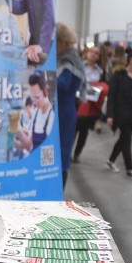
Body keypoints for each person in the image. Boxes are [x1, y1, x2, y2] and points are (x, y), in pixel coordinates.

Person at [105, 49, 132, 180]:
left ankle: (111, 160)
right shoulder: (118, 76)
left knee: (123, 139)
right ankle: (130, 168)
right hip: (121, 114)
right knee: (126, 138)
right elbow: (111, 96)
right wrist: (110, 115)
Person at [54, 23, 85, 187]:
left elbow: (64, 85)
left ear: (64, 43)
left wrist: (45, 79)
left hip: (64, 113)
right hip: (63, 110)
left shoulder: (69, 59)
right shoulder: (67, 57)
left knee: (62, 155)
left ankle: (59, 191)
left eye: (55, 42)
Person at [72, 45, 108, 163]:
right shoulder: (78, 65)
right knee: (72, 129)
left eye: (96, 53)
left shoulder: (100, 71)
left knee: (84, 131)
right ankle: (67, 153)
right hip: (76, 101)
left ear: (99, 57)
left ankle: (77, 154)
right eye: (91, 51)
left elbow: (102, 86)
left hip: (90, 104)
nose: (93, 54)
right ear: (87, 53)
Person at [13, 70, 54, 152]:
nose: (34, 102)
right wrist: (15, 129)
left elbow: (50, 148)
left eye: (37, 97)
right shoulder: (35, 113)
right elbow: (29, 145)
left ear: (45, 92)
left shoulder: (52, 115)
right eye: (33, 97)